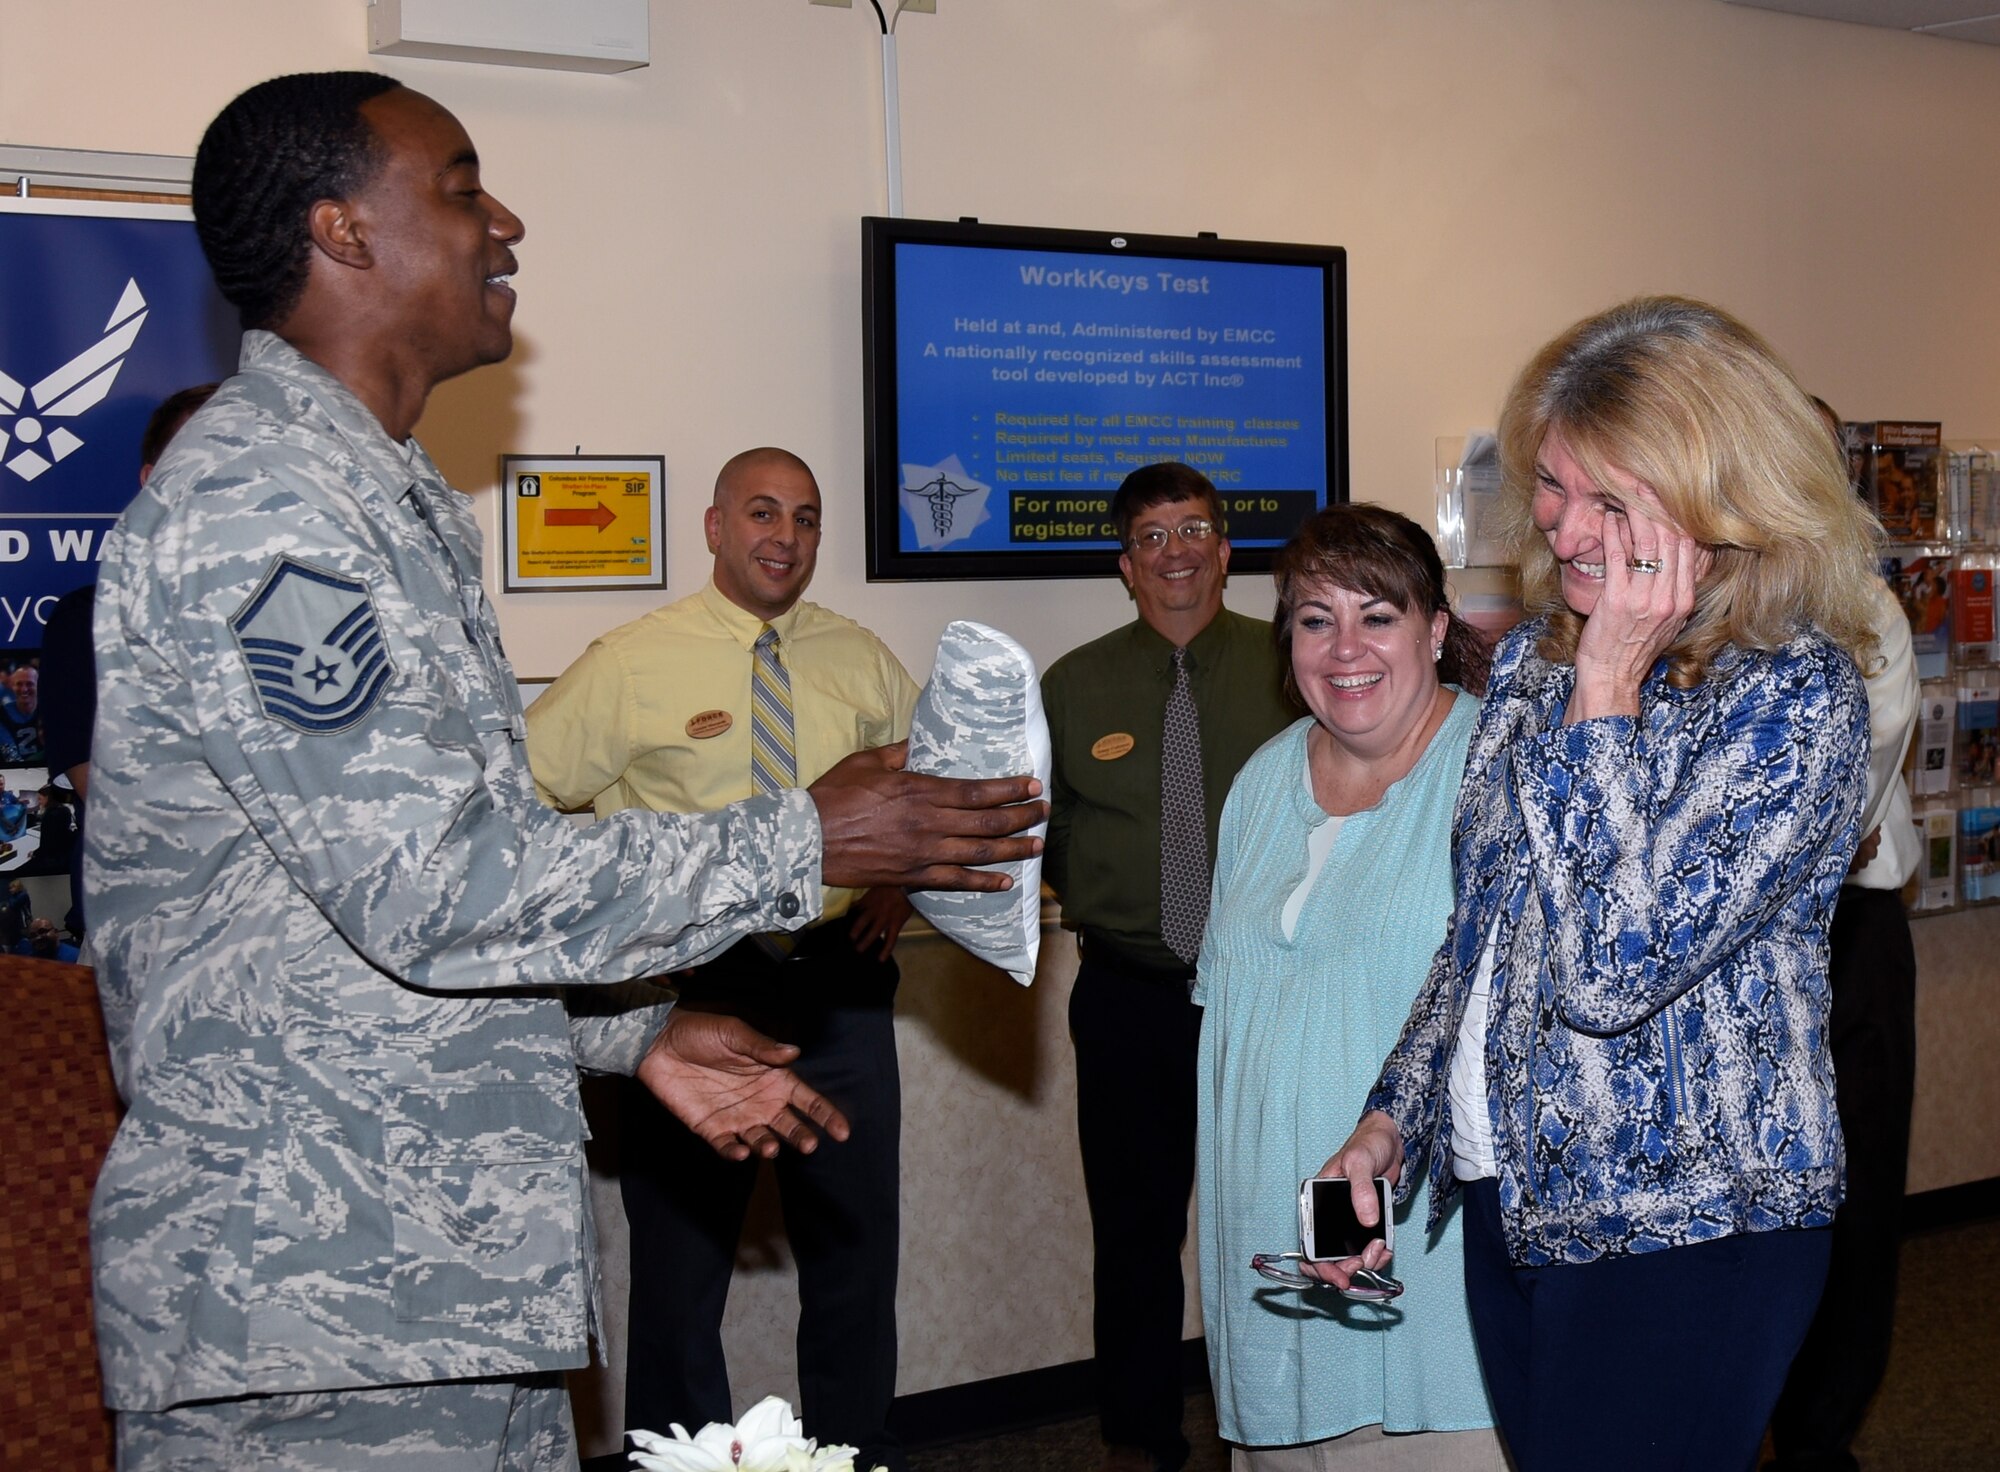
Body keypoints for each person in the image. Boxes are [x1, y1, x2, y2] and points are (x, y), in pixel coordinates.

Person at [88, 71, 1043, 1471]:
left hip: (429, 1287)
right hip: (310, 1309)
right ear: (343, 232)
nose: (506, 223)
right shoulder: (264, 509)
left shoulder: (384, 502)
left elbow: (348, 927)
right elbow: (434, 884)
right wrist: (806, 838)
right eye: (464, 187)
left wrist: (629, 1034)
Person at [1315, 296, 1881, 1472]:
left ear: (1716, 502)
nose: (1565, 530)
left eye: (1608, 499)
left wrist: (1609, 692)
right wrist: (1393, 1118)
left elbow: (1613, 967)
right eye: (1554, 488)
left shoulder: (1793, 696)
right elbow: (1488, 928)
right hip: (1514, 1196)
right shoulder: (1534, 659)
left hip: (1687, 1222)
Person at [526, 446, 918, 1469]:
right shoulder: (628, 662)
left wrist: (897, 877)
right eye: (760, 512)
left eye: (804, 517)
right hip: (691, 998)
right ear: (711, 527)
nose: (783, 537)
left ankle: (855, 1449)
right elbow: (519, 808)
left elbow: (934, 788)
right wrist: (609, 936)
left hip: (838, 992)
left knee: (853, 1258)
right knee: (679, 1275)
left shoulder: (862, 657)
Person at [1196, 504, 1502, 1470]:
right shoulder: (1259, 783)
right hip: (1271, 1266)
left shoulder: (1497, 771)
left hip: (1434, 1267)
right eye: (1315, 619)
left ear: (1437, 630)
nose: (1344, 647)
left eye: (1378, 615)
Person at [1042, 461, 1296, 1472]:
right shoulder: (1071, 685)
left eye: (1193, 529)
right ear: (1125, 564)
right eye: (1152, 536)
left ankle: (1277, 1417)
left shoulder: (1290, 669)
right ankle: (1141, 1437)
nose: (1176, 551)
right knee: (1135, 1234)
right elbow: (1049, 836)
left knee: (1269, 1212)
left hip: (1264, 992)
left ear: (1225, 549)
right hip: (1127, 998)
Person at [1766, 402, 1922, 1472]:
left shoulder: (1863, 606)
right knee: (1746, 1204)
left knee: (1855, 1203)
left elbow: (1842, 800)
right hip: (1729, 950)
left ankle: (1819, 1436)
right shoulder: (1692, 594)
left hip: (1845, 936)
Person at [38, 383, 220, 937]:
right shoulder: (88, 621)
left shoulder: (298, 612)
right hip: (149, 933)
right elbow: (114, 796)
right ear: (151, 482)